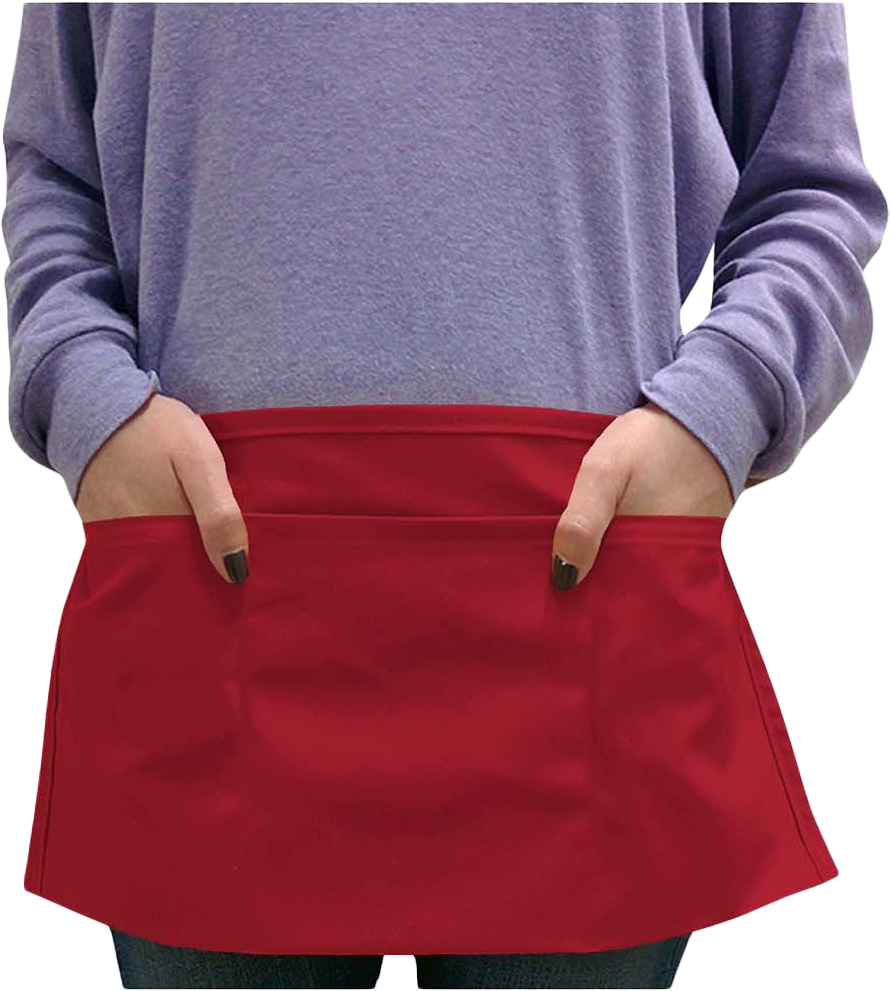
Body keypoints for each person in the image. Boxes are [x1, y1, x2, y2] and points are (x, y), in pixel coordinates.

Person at [3, 4, 885, 990]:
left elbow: (806, 188)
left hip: (580, 590)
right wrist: (85, 393)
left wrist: (722, 406)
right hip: (210, 597)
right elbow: (57, 173)